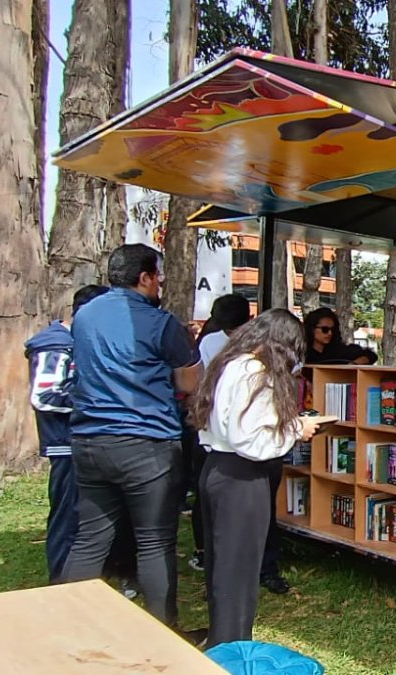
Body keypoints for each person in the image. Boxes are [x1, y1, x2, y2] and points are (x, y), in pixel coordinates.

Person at [61, 244, 203, 627]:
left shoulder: (85, 315)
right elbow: (190, 381)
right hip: (146, 444)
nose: (161, 282)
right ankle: (163, 632)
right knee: (155, 543)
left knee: (91, 539)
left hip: (89, 441)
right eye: (158, 274)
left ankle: (66, 627)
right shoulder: (161, 322)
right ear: (144, 278)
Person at [187, 309, 323, 648]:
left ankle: (221, 638)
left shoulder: (229, 363)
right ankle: (232, 647)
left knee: (222, 564)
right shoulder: (256, 373)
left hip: (216, 467)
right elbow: (250, 440)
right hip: (242, 477)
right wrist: (296, 430)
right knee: (240, 569)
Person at [26, 285, 109, 582]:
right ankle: (60, 580)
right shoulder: (55, 346)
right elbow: (44, 396)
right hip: (66, 444)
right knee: (67, 516)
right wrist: (97, 400)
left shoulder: (76, 340)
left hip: (86, 440)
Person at [187, 293, 252, 573]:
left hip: (210, 429)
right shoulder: (254, 344)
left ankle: (204, 551)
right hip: (243, 432)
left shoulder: (209, 342)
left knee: (205, 495)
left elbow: (197, 382)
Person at [303, 307, 377, 367]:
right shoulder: (302, 352)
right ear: (312, 329)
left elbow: (371, 355)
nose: (330, 333)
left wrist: (354, 364)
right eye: (325, 329)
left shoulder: (338, 350)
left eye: (332, 329)